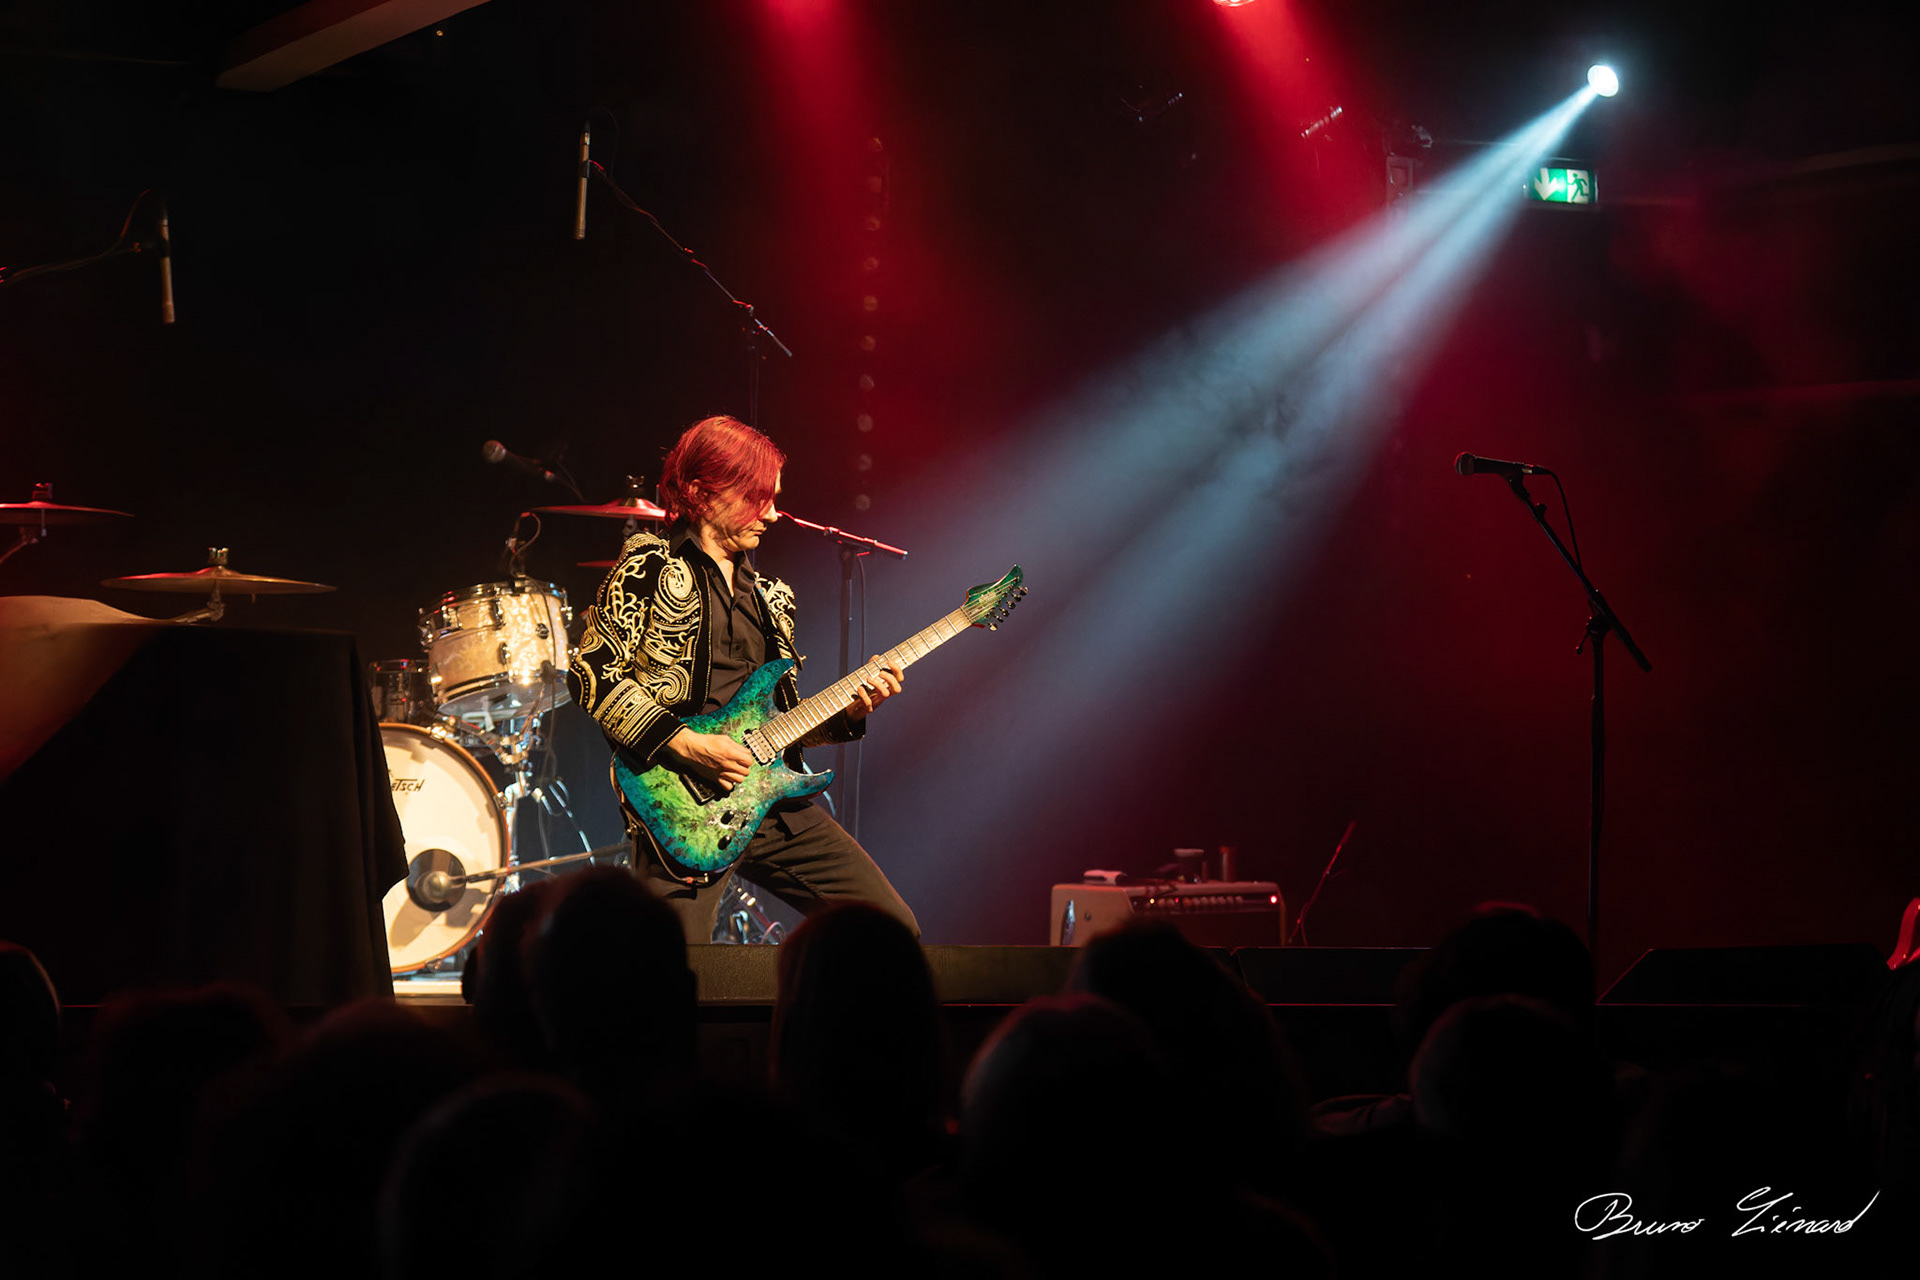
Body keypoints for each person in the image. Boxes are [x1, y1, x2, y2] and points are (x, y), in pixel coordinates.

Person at [569, 415, 918, 942]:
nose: (773, 514)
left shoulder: (773, 597)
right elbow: (591, 674)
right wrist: (688, 745)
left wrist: (850, 711)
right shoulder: (649, 567)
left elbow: (783, 724)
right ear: (700, 493)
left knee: (892, 932)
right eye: (758, 498)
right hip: (682, 806)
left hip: (774, 802)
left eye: (774, 498)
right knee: (676, 968)